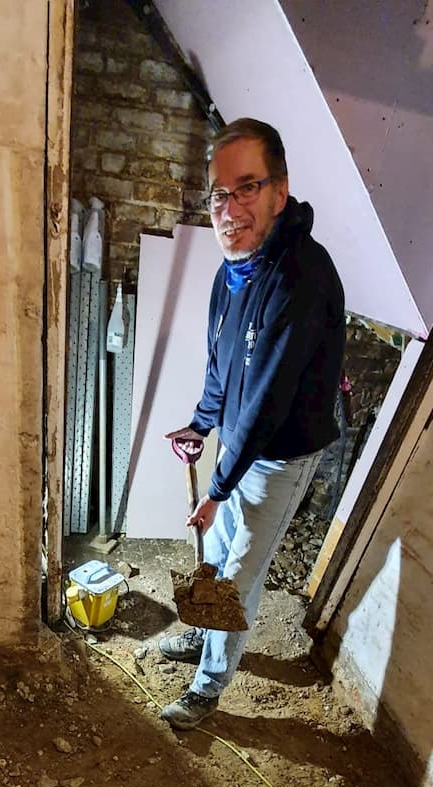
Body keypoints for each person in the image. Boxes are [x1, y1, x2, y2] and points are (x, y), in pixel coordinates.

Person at [158, 118, 345, 730]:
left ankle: (209, 684)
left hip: (282, 452)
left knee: (237, 573)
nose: (227, 208)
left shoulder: (302, 277)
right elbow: (222, 367)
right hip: (241, 442)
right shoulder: (231, 272)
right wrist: (199, 424)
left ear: (279, 193)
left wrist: (217, 488)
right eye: (218, 192)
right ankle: (206, 638)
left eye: (245, 188)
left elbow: (267, 400)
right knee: (214, 550)